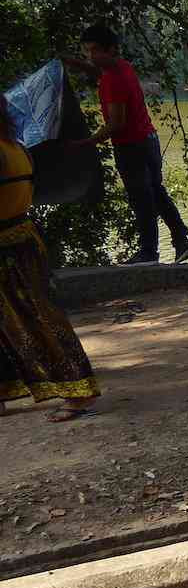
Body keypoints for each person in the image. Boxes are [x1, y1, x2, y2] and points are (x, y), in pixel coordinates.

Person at [0, 104, 102, 421]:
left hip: (9, 247)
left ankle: (79, 392)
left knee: (42, 317)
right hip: (22, 239)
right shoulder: (15, 146)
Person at [63, 24, 188, 266]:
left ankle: (148, 253)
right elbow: (98, 72)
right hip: (149, 140)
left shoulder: (114, 79)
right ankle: (181, 240)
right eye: (87, 52)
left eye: (95, 51)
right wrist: (72, 63)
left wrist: (85, 143)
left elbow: (116, 124)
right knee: (156, 192)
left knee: (142, 199)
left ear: (111, 49)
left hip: (131, 146)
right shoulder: (122, 67)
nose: (91, 56)